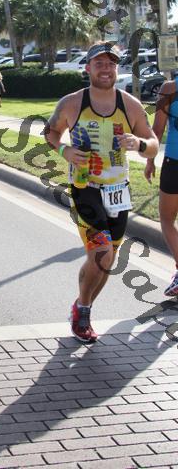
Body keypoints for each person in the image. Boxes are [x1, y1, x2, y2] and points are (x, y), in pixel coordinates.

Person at [46, 42, 159, 343]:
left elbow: (153, 144)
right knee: (102, 252)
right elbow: (50, 132)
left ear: (117, 68)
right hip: (86, 188)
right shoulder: (72, 103)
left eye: (111, 63)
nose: (106, 69)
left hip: (119, 191)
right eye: (99, 63)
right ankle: (83, 311)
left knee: (107, 261)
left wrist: (139, 144)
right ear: (88, 68)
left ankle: (82, 306)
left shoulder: (130, 105)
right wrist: (64, 150)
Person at [145, 76, 178, 296]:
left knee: (166, 219)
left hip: (174, 162)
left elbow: (156, 131)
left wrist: (150, 161)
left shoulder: (169, 88)